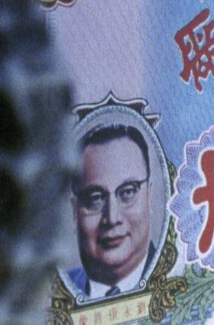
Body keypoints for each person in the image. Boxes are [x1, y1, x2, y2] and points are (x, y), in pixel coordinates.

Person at [68, 123, 156, 299]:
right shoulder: (48, 295)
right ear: (74, 210)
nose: (112, 218)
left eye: (127, 192)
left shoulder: (184, 278)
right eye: (95, 198)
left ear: (149, 196)